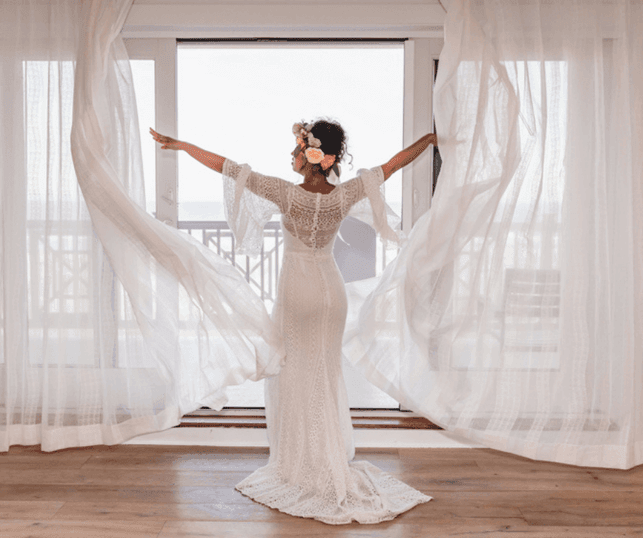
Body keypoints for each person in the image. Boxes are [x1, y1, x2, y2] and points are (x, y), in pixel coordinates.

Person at [150, 120, 437, 525]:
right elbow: (393, 164)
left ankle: (301, 465)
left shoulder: (286, 193)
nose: (292, 155)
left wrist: (181, 145)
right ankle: (328, 459)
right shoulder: (344, 195)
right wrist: (427, 139)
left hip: (297, 293)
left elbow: (227, 167)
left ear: (311, 155)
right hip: (330, 294)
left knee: (296, 377)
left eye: (297, 149)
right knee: (325, 374)